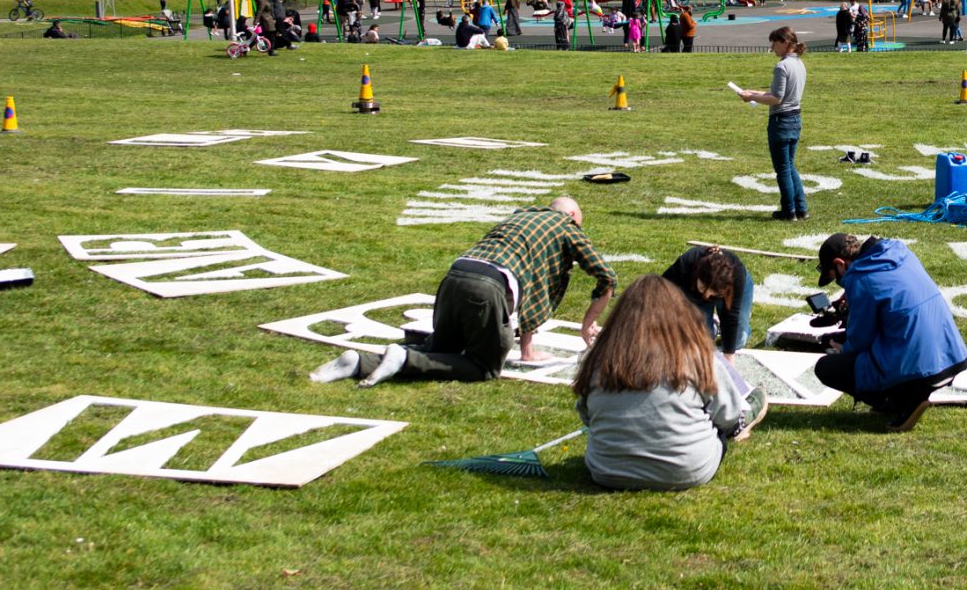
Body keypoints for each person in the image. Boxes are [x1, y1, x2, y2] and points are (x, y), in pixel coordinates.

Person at [319, 197, 619, 387]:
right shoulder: (567, 228)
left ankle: (358, 362)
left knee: (443, 351)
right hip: (489, 287)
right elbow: (606, 277)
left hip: (455, 276)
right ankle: (404, 359)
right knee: (483, 367)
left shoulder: (517, 217)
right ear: (573, 217)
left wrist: (527, 349)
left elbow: (534, 286)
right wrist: (586, 324)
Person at [572, 276, 762, 491]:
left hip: (606, 470)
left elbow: (587, 415)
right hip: (683, 470)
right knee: (723, 426)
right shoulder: (698, 356)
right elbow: (727, 416)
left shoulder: (598, 357)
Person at [811, 233, 967, 433]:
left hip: (920, 368)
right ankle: (906, 395)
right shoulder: (899, 253)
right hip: (951, 355)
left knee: (827, 367)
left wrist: (841, 346)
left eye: (835, 277)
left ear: (840, 263)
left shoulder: (861, 279)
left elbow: (860, 340)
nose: (840, 283)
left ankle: (901, 401)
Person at [733, 26, 808, 221]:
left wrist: (751, 98)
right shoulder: (799, 64)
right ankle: (801, 208)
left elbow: (776, 98)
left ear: (785, 42)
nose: (772, 47)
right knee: (790, 166)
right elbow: (780, 94)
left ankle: (788, 210)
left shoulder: (782, 66)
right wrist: (754, 93)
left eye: (774, 42)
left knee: (783, 168)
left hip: (781, 121)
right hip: (795, 118)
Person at [664, 244, 753, 356]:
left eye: (713, 292)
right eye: (702, 288)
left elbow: (731, 318)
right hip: (695, 297)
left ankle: (743, 325)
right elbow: (660, 291)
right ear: (697, 273)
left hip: (733, 293)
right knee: (701, 344)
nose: (707, 295)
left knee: (737, 342)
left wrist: (729, 363)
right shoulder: (686, 263)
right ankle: (714, 326)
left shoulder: (736, 277)